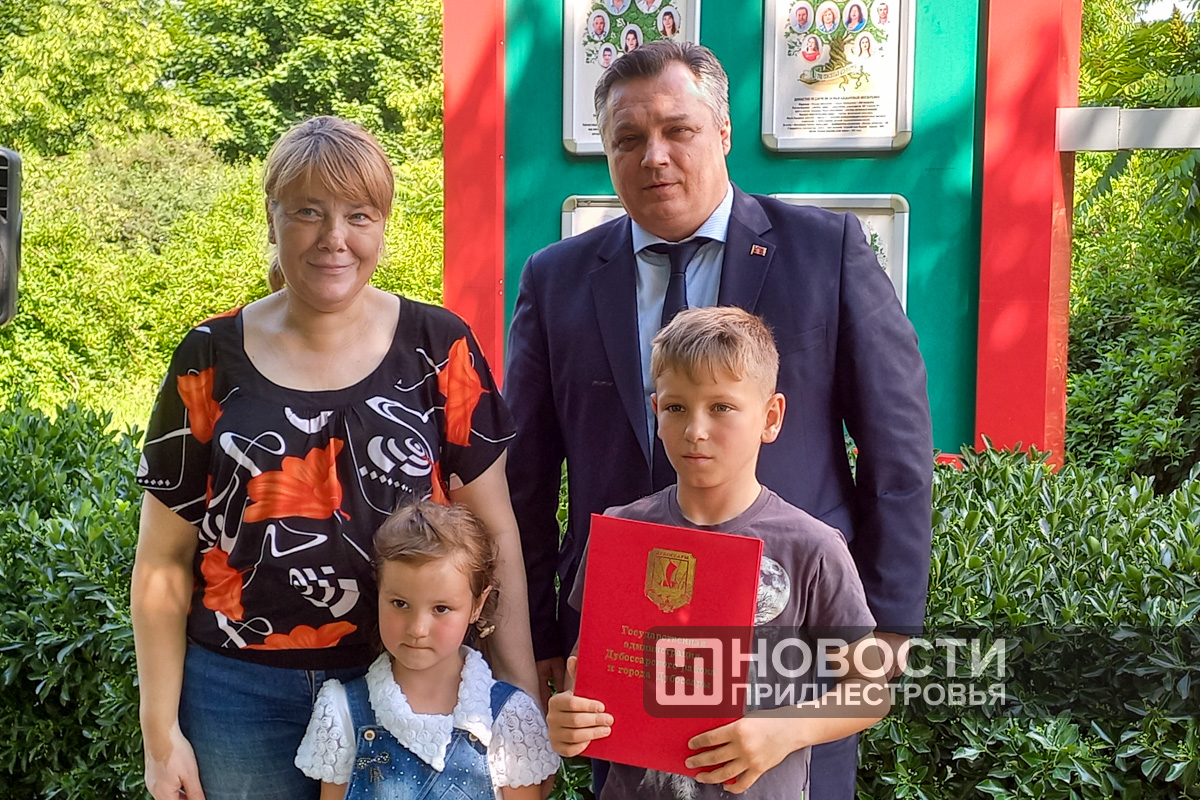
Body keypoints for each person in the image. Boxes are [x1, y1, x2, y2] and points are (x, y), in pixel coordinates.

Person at [504, 41, 932, 799]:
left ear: (724, 132)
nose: (654, 156)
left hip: (788, 644)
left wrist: (890, 621)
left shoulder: (824, 251)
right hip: (625, 649)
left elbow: (897, 447)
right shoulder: (556, 278)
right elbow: (527, 479)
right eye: (629, 138)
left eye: (679, 130)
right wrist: (539, 633)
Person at [131, 115, 538, 800]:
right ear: (271, 218)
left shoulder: (438, 347)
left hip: (409, 688)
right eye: (308, 212)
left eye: (359, 215)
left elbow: (496, 537)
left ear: (382, 226)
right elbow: (162, 562)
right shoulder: (209, 355)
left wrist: (517, 698)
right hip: (238, 697)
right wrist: (159, 734)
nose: (334, 238)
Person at [547, 307, 889, 798]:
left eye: (721, 407)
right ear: (655, 411)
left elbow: (870, 690)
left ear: (770, 417)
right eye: (676, 407)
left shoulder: (811, 548)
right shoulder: (623, 533)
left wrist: (784, 731)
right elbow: (587, 673)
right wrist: (570, 718)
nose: (696, 430)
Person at [295, 501, 560, 799]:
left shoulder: (509, 717)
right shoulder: (342, 711)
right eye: (400, 604)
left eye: (441, 608)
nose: (418, 628)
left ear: (477, 605)